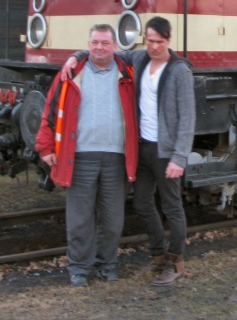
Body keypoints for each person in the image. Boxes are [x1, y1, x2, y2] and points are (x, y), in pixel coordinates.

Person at [62, 16, 195, 286]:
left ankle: (176, 262)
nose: (154, 46)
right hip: (143, 147)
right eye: (150, 40)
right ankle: (158, 255)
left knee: (172, 207)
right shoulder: (140, 59)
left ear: (168, 41)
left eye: (159, 42)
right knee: (142, 202)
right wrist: (75, 56)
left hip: (166, 150)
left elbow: (188, 117)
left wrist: (179, 157)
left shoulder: (180, 70)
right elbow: (105, 49)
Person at [36, 24, 138, 288]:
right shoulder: (71, 73)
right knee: (79, 218)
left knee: (113, 218)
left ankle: (107, 265)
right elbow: (50, 109)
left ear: (114, 46)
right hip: (79, 156)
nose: (99, 48)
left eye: (105, 43)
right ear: (88, 44)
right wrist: (44, 146)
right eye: (94, 43)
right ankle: (79, 268)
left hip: (116, 157)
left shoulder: (128, 73)